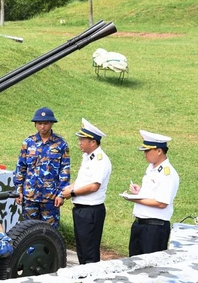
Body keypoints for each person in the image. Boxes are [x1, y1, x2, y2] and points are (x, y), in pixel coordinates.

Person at [61, 118, 112, 264]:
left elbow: (93, 186)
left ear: (93, 142)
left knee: (89, 250)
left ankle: (90, 280)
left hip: (91, 211)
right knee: (82, 248)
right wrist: (70, 187)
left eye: (82, 140)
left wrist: (72, 193)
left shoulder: (100, 160)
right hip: (82, 210)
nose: (79, 143)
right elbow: (82, 180)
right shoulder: (88, 157)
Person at [123, 130, 180, 257]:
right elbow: (153, 193)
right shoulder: (152, 168)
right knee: (134, 264)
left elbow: (161, 203)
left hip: (154, 229)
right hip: (140, 225)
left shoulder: (167, 173)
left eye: (147, 151)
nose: (145, 154)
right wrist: (139, 192)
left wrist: (134, 199)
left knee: (151, 269)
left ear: (159, 151)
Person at [13, 107, 70, 230]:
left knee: (50, 232)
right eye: (39, 123)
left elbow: (65, 170)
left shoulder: (61, 144)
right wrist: (18, 191)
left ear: (51, 124)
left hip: (50, 197)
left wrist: (61, 194)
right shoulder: (28, 143)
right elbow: (20, 168)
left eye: (46, 123)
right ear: (35, 125)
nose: (42, 127)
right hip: (30, 196)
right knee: (29, 231)